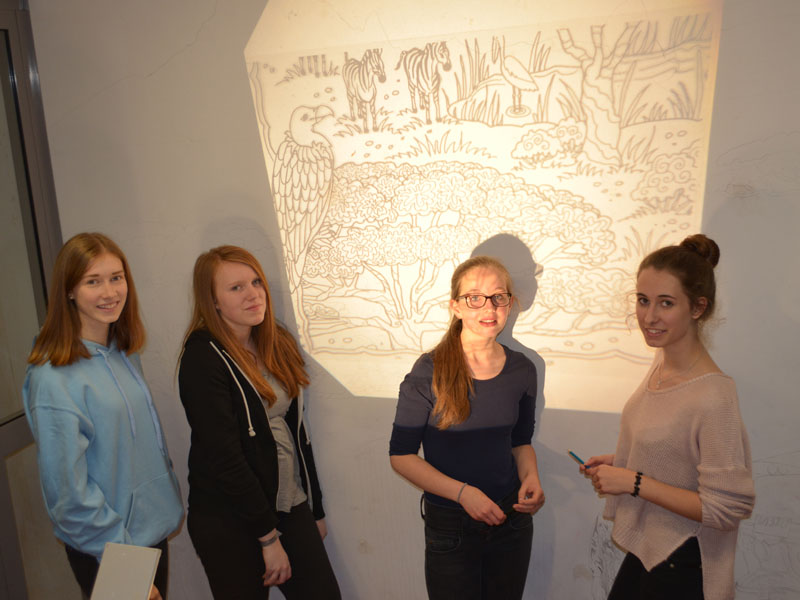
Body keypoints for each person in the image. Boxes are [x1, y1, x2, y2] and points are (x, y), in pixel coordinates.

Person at [582, 234, 755, 600]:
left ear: (698, 308)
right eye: (643, 300)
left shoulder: (714, 393)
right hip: (651, 553)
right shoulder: (661, 366)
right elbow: (682, 455)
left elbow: (725, 507)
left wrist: (633, 480)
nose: (649, 317)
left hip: (684, 563)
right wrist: (622, 461)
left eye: (666, 303)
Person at [22, 232, 184, 600]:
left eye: (116, 277)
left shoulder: (123, 353)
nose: (110, 292)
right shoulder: (53, 377)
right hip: (107, 548)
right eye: (93, 281)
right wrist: (126, 566)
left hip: (150, 531)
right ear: (69, 291)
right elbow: (67, 495)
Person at [177, 245, 340, 599]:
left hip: (286, 501)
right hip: (229, 517)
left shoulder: (275, 342)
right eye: (236, 287)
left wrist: (314, 508)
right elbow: (225, 457)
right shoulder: (202, 357)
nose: (253, 294)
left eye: (256, 282)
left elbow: (298, 433)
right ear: (213, 301)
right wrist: (268, 538)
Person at [390, 255, 545, 600]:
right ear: (455, 307)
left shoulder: (523, 368)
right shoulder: (428, 371)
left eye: (498, 296)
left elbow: (520, 441)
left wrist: (531, 477)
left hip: (510, 520)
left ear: (509, 303)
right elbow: (401, 456)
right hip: (452, 524)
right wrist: (464, 494)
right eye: (474, 297)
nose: (488, 307)